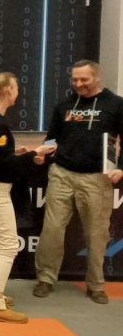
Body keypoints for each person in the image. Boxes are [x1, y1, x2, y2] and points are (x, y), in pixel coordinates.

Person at [33, 60, 123, 304]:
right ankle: (46, 278)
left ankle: (96, 285)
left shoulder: (115, 104)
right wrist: (42, 154)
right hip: (61, 174)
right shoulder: (64, 105)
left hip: (97, 178)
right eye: (75, 79)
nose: (79, 84)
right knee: (52, 230)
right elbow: (52, 138)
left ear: (97, 77)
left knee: (96, 234)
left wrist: (121, 168)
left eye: (84, 79)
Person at [0, 73, 55, 324]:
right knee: (8, 246)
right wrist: (35, 153)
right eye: (16, 87)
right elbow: (4, 164)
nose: (18, 92)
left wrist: (17, 153)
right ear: (7, 90)